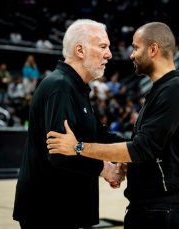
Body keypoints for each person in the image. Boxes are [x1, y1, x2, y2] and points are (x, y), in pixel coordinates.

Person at [46, 22, 179, 229]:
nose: (131, 55)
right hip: (151, 206)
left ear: (153, 49)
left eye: (136, 48)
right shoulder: (162, 89)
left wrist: (78, 147)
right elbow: (142, 147)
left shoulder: (176, 89)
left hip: (164, 208)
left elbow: (142, 148)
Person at [13, 19, 127, 229]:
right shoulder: (61, 87)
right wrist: (105, 169)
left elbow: (98, 136)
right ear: (80, 50)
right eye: (103, 46)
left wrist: (138, 146)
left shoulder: (75, 87)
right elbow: (60, 154)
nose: (109, 54)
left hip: (62, 208)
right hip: (48, 211)